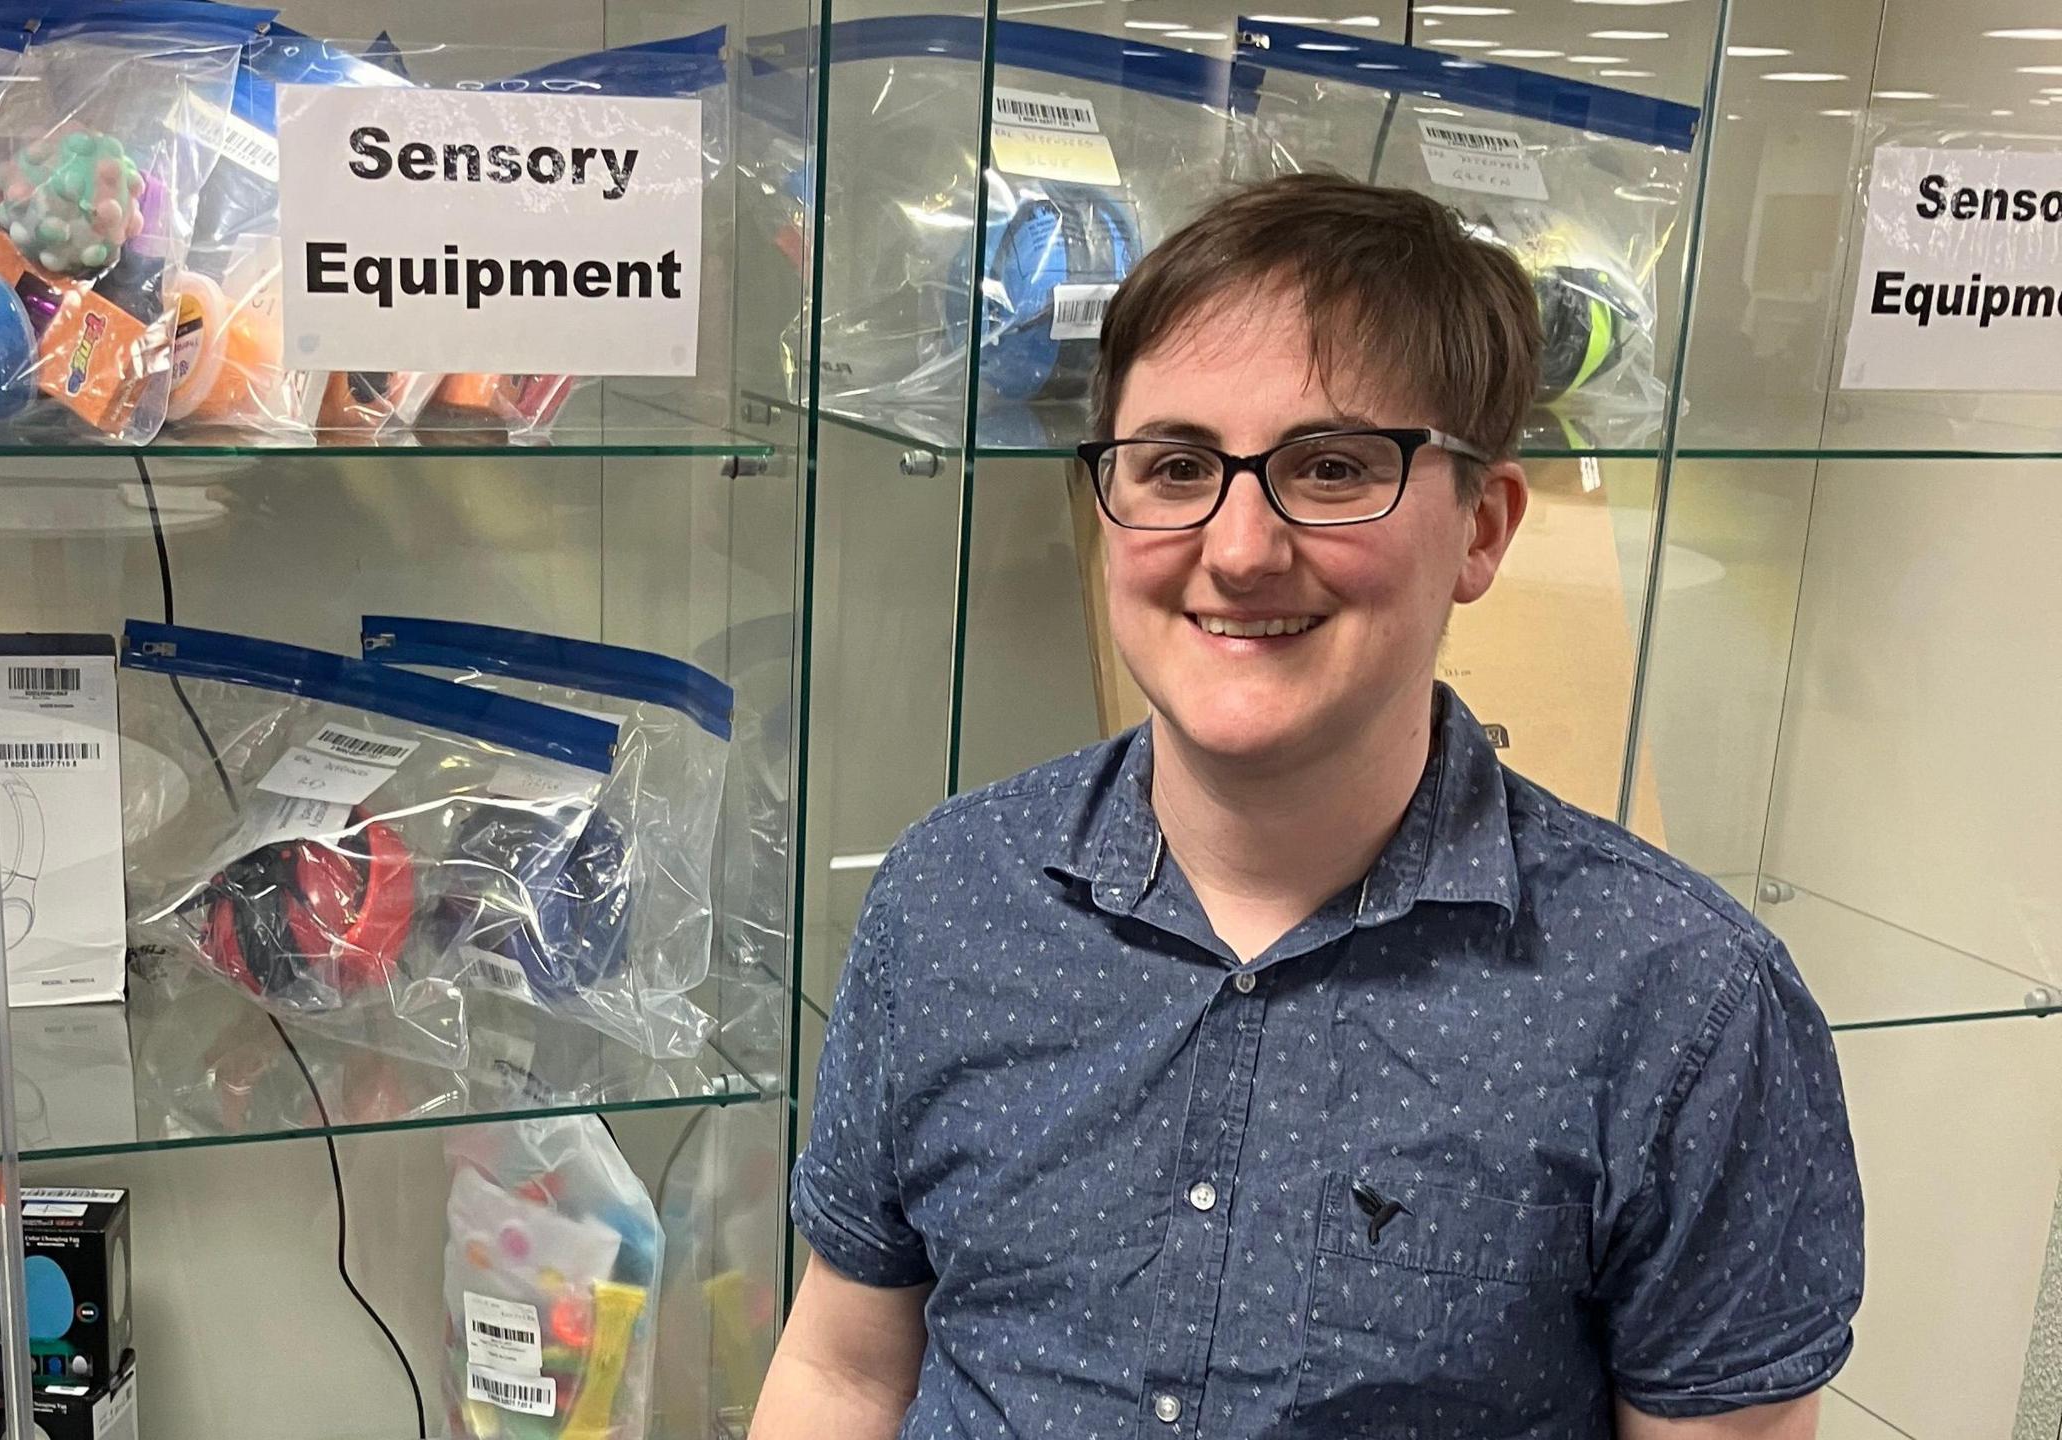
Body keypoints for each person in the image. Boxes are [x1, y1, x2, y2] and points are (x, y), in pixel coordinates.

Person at [757, 172, 1861, 1439]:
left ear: (1482, 528)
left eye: (1331, 467)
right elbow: (842, 1369)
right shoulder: (952, 894)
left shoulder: (1681, 1006)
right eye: (1175, 465)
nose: (1237, 548)